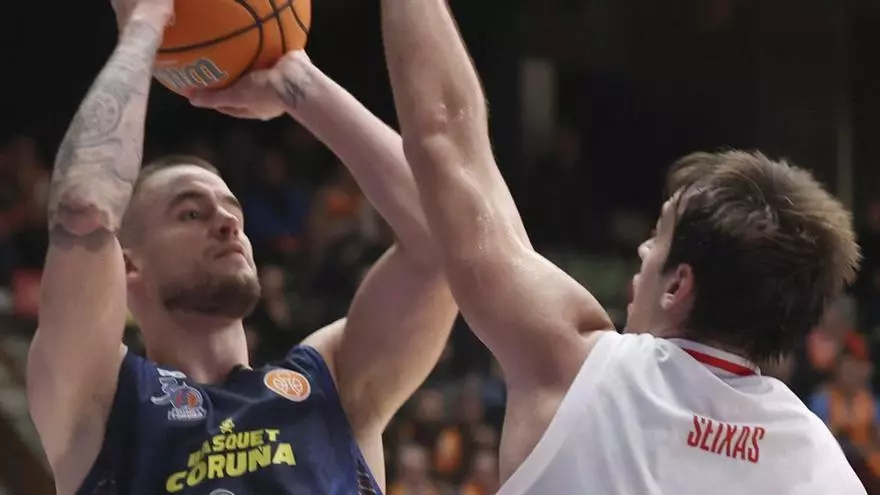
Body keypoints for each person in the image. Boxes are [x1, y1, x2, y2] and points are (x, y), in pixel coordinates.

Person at [379, 0, 866, 493]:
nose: (643, 251)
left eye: (659, 235)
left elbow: (445, 133)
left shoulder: (575, 366)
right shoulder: (822, 463)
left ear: (678, 285)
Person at [27, 0, 457, 493]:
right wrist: (143, 28)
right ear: (128, 266)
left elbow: (443, 239)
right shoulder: (101, 402)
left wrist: (301, 86)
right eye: (191, 213)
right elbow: (83, 210)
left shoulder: (331, 382)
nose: (228, 223)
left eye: (234, 210)